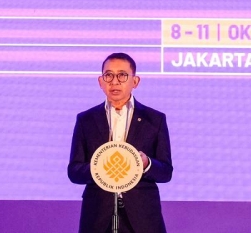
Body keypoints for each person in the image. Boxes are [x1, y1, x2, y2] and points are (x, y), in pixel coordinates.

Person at [68, 53, 173, 233]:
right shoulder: (86, 120)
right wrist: (99, 167)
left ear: (135, 81)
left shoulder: (155, 120)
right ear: (100, 82)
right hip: (97, 216)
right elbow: (74, 172)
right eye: (108, 75)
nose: (114, 82)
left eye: (122, 75)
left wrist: (146, 163)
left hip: (143, 217)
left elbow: (166, 172)